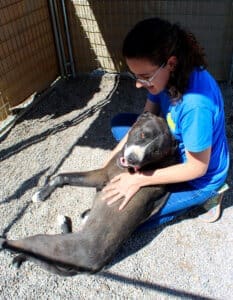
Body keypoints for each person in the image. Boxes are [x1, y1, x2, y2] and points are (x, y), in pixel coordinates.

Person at [102, 17, 229, 229]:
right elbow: (145, 118)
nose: (138, 84)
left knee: (126, 223)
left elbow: (197, 168)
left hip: (199, 178)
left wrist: (139, 179)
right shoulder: (165, 79)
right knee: (119, 124)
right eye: (135, 75)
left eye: (144, 76)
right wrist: (110, 159)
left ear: (170, 63)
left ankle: (211, 195)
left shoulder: (196, 105)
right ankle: (159, 173)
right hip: (174, 147)